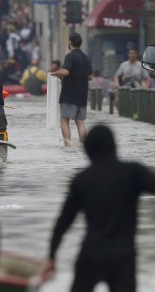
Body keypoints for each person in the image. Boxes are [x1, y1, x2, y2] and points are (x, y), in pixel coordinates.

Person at [43, 125, 155, 292]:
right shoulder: (133, 172)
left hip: (91, 253)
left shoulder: (82, 180)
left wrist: (51, 256)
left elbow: (63, 223)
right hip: (122, 255)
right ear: (114, 146)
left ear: (88, 150)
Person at [48, 32, 92, 146]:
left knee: (64, 119)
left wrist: (53, 73)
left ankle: (68, 145)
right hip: (82, 95)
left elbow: (65, 72)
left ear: (70, 42)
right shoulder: (86, 57)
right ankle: (83, 145)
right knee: (80, 121)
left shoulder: (70, 56)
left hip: (69, 94)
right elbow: (90, 76)